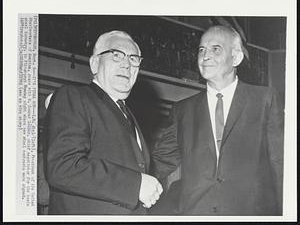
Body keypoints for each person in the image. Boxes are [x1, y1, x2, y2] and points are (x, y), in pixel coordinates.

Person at [152, 25, 284, 215]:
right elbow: (159, 163)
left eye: (216, 49)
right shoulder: (182, 110)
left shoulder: (265, 100)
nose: (205, 56)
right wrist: (132, 184)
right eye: (201, 50)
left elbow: (280, 165)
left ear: (236, 57)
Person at [44, 30, 163, 215]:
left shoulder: (129, 115)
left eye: (133, 59)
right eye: (116, 55)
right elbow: (62, 166)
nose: (126, 65)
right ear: (94, 63)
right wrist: (136, 184)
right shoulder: (73, 96)